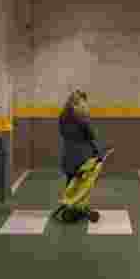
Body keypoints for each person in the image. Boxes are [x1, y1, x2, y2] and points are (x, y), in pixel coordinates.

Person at [58, 89, 104, 223]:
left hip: (68, 157)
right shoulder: (82, 116)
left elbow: (63, 133)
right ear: (78, 102)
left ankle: (69, 207)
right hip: (82, 157)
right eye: (84, 102)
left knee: (71, 183)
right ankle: (77, 208)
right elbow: (92, 135)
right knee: (83, 184)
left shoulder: (62, 116)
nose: (86, 104)